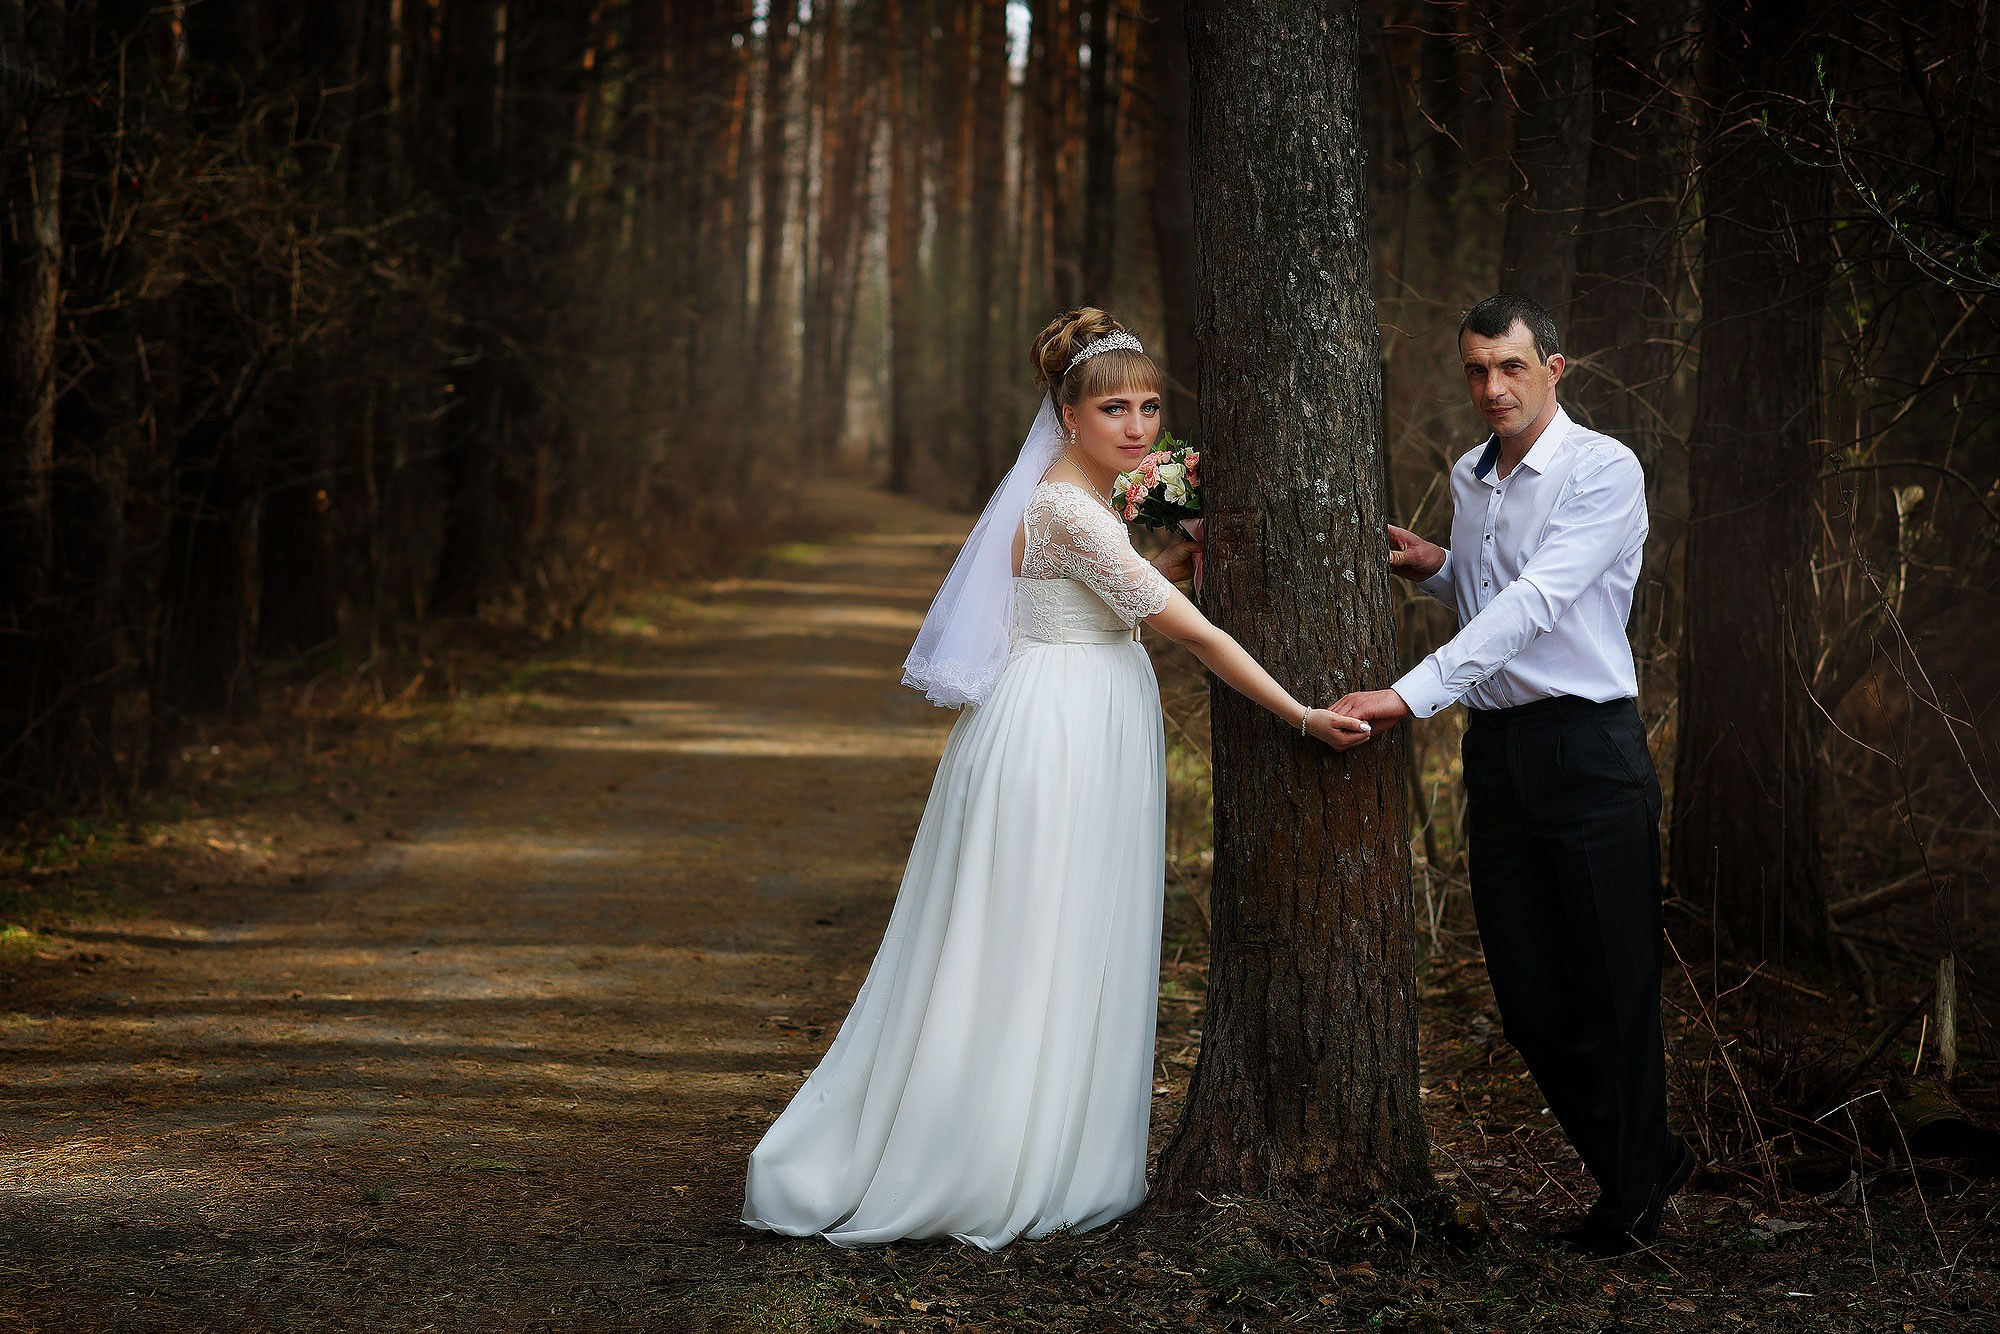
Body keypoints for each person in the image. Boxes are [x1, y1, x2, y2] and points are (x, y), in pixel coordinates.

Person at [743, 308, 1371, 1249]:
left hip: (1087, 711)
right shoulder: (1067, 509)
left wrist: (1166, 554)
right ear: (1066, 416)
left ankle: (1052, 1140)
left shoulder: (1090, 504)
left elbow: (1120, 591)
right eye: (1113, 408)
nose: (1137, 428)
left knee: (1075, 929)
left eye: (1151, 408)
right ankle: (987, 1155)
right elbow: (1189, 632)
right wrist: (1301, 713)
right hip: (1057, 726)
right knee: (1028, 932)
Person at [1334, 293, 1691, 1256]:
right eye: (1477, 371)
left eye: (1512, 368)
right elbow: (1494, 587)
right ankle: (1648, 1156)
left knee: (1614, 988)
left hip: (1589, 752)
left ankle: (1630, 1196)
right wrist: (1440, 567)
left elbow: (1541, 600)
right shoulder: (1469, 473)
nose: (1492, 388)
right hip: (1498, 760)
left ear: (1555, 369)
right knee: (1530, 1001)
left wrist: (1411, 693)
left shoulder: (1602, 469)